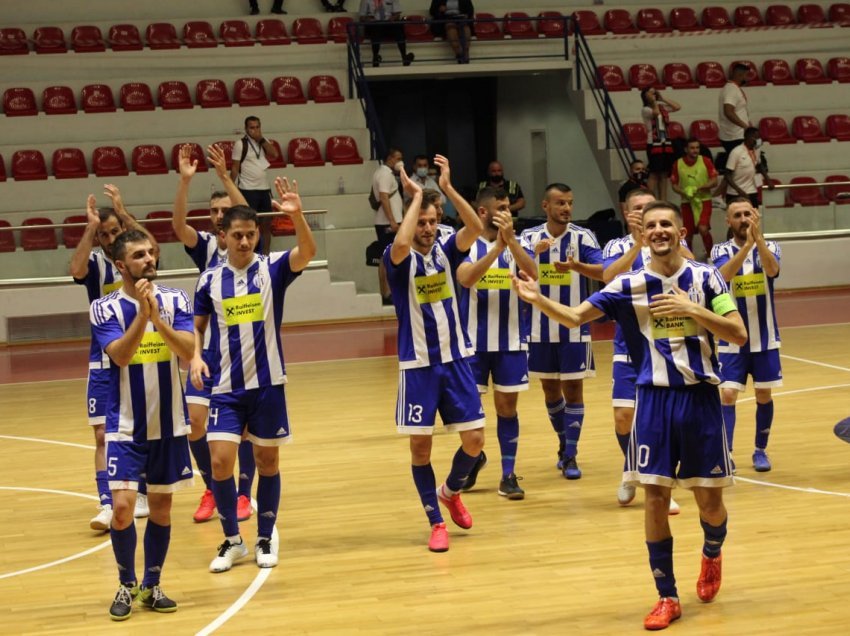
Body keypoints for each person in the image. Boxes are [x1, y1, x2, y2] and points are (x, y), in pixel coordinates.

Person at [513, 200, 747, 631]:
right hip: (653, 403)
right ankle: (666, 595)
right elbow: (574, 318)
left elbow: (738, 332)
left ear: (680, 233)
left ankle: (712, 552)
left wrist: (693, 310)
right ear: (643, 234)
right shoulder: (628, 285)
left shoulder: (705, 277)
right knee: (654, 497)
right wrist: (537, 298)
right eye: (652, 225)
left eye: (667, 225)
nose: (659, 231)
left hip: (700, 401)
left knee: (710, 503)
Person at [191, 177, 317, 573]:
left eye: (250, 235)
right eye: (237, 236)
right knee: (220, 463)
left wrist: (297, 218)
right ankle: (232, 541)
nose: (245, 242)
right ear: (223, 237)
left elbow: (307, 252)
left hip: (267, 386)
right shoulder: (209, 278)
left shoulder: (272, 268)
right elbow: (197, 325)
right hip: (225, 387)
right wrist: (195, 356)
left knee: (267, 463)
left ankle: (264, 537)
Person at [90, 230, 195, 620]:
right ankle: (125, 583)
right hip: (125, 426)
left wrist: (157, 318)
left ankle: (152, 584)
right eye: (139, 255)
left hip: (169, 425)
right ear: (121, 266)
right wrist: (142, 315)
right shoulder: (104, 308)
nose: (149, 259)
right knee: (121, 510)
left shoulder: (176, 299)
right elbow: (119, 355)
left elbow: (187, 351)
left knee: (162, 511)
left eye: (151, 252)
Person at [384, 155, 485, 552]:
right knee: (420, 448)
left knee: (474, 440)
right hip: (418, 365)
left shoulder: (448, 248)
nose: (427, 228)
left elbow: (476, 227)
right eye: (421, 221)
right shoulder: (398, 257)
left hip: (456, 358)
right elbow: (403, 241)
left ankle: (451, 490)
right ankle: (435, 520)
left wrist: (445, 189)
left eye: (431, 221)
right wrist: (413, 198)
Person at [171, 144, 258, 524]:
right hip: (209, 351)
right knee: (195, 421)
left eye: (226, 211)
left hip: (247, 352)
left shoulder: (249, 244)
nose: (220, 217)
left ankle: (243, 493)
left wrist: (225, 177)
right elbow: (177, 228)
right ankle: (212, 485)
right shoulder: (207, 247)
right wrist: (185, 182)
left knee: (247, 430)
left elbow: (250, 215)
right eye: (215, 212)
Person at [70, 186, 154, 531]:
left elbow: (153, 246)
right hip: (103, 360)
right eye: (103, 234)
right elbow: (75, 270)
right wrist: (89, 228)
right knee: (103, 434)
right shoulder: (95, 265)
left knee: (145, 428)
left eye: (112, 231)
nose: (107, 238)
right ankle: (106, 502)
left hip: (143, 354)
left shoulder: (139, 258)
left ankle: (144, 492)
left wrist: (122, 210)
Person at [602, 188, 689, 514]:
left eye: (650, 207)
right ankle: (631, 468)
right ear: (627, 213)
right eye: (639, 208)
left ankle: (660, 483)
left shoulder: (671, 242)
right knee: (624, 418)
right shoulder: (616, 246)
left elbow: (696, 272)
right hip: (629, 345)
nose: (645, 212)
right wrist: (637, 246)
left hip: (668, 344)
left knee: (660, 420)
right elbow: (608, 279)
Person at [456, 187, 537, 499]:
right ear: (483, 213)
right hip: (471, 343)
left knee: (507, 408)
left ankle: (508, 474)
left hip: (511, 340)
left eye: (509, 207)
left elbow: (533, 275)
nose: (508, 213)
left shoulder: (520, 242)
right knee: (472, 414)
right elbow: (466, 279)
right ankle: (475, 456)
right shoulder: (465, 243)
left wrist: (512, 243)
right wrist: (495, 249)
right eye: (501, 208)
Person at [519, 184, 603, 479]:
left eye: (569, 203)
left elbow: (605, 271)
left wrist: (576, 266)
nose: (566, 208)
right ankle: (563, 442)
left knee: (573, 389)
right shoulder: (529, 237)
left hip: (574, 327)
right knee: (550, 389)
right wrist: (533, 254)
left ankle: (571, 455)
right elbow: (517, 273)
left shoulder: (584, 237)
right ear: (545, 206)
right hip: (539, 329)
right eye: (560, 203)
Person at [711, 199, 782, 473]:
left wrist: (758, 241)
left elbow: (772, 269)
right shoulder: (720, 250)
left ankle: (760, 450)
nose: (743, 219)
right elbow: (722, 276)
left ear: (756, 216)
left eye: (748, 214)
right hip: (732, 338)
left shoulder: (771, 246)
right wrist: (747, 246)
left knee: (763, 394)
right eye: (737, 215)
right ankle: (726, 453)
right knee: (728, 394)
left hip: (765, 339)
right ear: (728, 222)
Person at [231, 116, 280, 255]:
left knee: (266, 225)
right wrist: (230, 187)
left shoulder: (263, 142)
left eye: (257, 127)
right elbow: (235, 168)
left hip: (264, 190)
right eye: (252, 128)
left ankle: (265, 255)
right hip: (248, 190)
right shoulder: (240, 144)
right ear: (246, 129)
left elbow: (275, 154)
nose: (255, 130)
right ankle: (250, 254)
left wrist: (262, 139)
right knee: (249, 225)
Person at [670, 138, 718, 255]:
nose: (695, 150)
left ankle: (710, 255)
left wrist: (700, 188)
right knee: (687, 234)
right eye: (692, 148)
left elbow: (715, 181)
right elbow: (674, 185)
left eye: (697, 148)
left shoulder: (706, 161)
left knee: (703, 229)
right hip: (687, 202)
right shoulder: (678, 164)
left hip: (704, 200)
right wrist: (683, 192)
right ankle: (689, 258)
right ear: (686, 149)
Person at [372, 147, 405, 304]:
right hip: (387, 223)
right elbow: (384, 198)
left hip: (391, 221)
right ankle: (386, 293)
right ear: (390, 158)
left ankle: (390, 291)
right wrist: (392, 221)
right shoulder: (385, 174)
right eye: (398, 159)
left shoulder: (385, 173)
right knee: (385, 258)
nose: (400, 162)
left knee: (388, 257)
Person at [641, 87, 681, 201]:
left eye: (654, 92)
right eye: (651, 92)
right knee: (654, 173)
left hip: (665, 142)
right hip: (653, 144)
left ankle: (663, 200)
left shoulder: (661, 107)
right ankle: (648, 200)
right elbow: (656, 113)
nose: (653, 94)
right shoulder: (646, 109)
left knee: (664, 174)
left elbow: (677, 107)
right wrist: (654, 102)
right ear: (645, 96)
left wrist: (662, 98)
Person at [724, 127, 772, 208]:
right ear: (748, 138)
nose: (758, 140)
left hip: (752, 190)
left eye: (759, 138)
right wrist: (739, 191)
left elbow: (759, 165)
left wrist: (768, 179)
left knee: (753, 217)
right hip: (736, 194)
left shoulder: (757, 149)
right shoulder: (736, 152)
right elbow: (727, 175)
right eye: (756, 138)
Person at [359, 0, 414, 67]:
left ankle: (404, 57)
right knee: (376, 30)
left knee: (398, 29)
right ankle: (375, 58)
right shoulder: (365, 1)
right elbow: (362, 17)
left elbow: (397, 13)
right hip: (374, 24)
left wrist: (393, 18)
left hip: (388, 23)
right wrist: (369, 20)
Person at [718, 63, 752, 155]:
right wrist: (745, 126)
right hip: (734, 136)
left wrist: (748, 124)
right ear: (740, 75)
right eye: (747, 75)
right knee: (741, 165)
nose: (748, 78)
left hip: (737, 134)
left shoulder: (734, 89)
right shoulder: (731, 90)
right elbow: (728, 112)